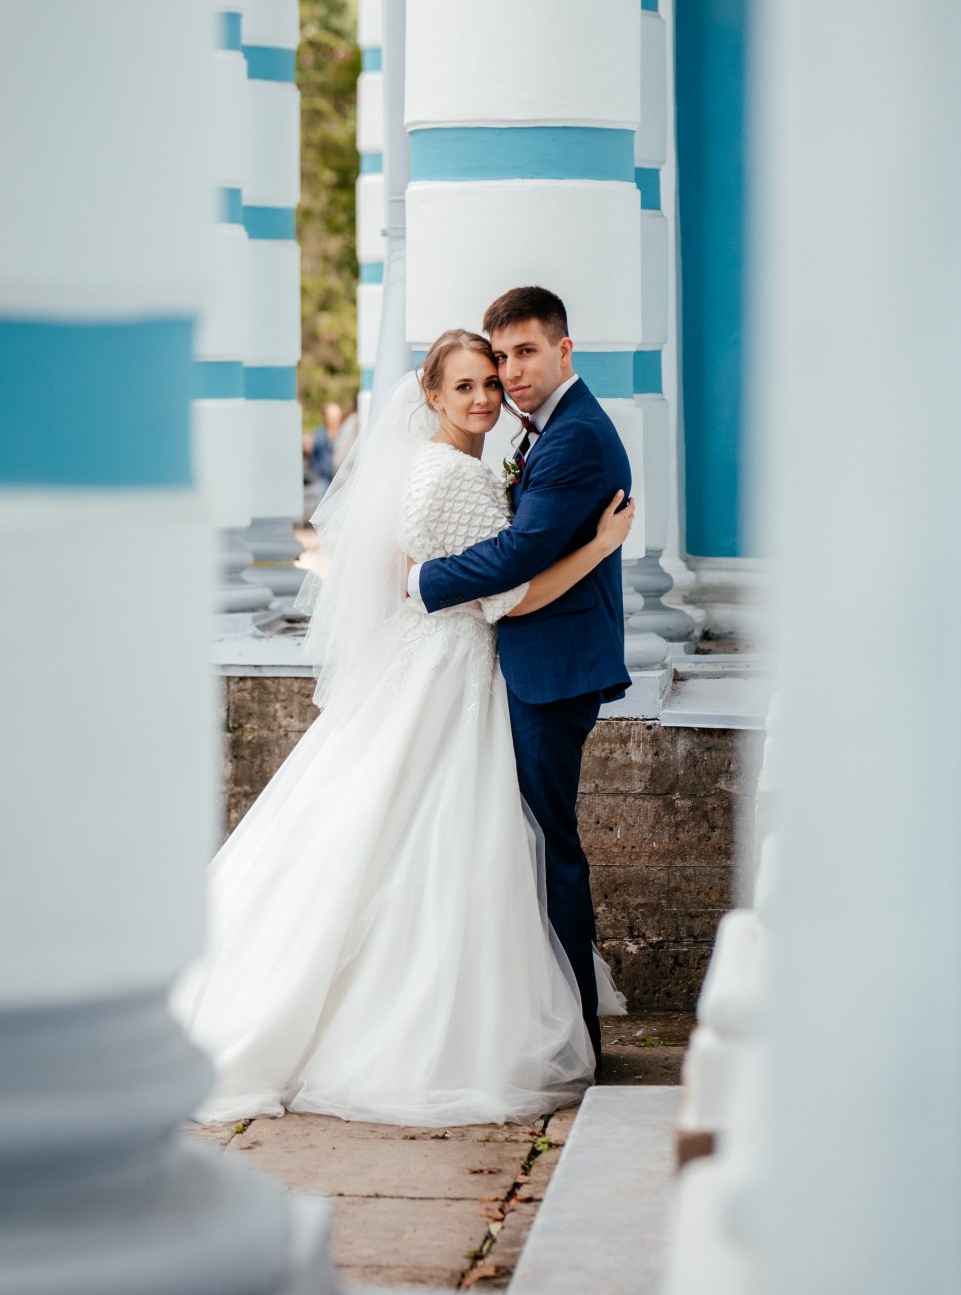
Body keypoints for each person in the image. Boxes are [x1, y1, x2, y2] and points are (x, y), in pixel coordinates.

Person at [175, 328, 633, 1124]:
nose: (485, 398)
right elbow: (512, 596)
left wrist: (428, 578)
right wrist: (600, 547)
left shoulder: (426, 464)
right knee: (442, 840)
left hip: (428, 667)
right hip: (450, 675)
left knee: (377, 831)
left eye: (490, 383)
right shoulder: (456, 476)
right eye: (466, 386)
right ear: (431, 395)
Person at [407, 287, 631, 1069]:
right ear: (434, 395)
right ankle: (553, 1024)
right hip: (525, 663)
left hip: (550, 670)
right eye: (497, 359)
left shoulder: (573, 437)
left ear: (564, 349)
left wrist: (421, 581)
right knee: (527, 845)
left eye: (522, 353)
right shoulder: (537, 437)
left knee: (546, 847)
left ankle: (576, 1034)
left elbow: (518, 556)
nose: (507, 376)